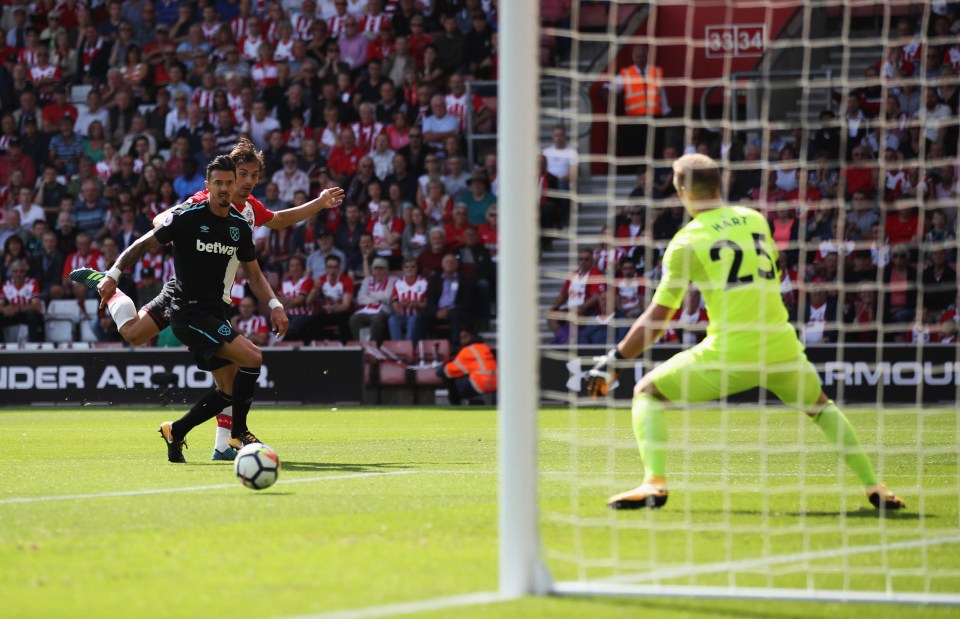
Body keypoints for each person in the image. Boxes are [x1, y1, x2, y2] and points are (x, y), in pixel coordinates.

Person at [586, 153, 905, 512]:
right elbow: (776, 268)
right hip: (781, 345)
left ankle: (654, 483)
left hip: (732, 351)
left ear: (681, 190)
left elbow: (660, 317)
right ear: (719, 184)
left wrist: (615, 359)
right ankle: (874, 486)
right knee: (821, 408)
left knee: (646, 392)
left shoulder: (686, 241)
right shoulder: (754, 219)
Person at [70, 139, 344, 460]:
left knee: (144, 339)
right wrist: (171, 221)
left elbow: (281, 220)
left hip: (215, 301)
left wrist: (320, 202)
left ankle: (196, 437)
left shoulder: (247, 214)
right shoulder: (203, 201)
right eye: (240, 174)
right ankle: (233, 438)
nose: (245, 182)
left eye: (253, 176)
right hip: (185, 295)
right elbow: (162, 222)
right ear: (221, 179)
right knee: (238, 366)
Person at [95, 155, 286, 463]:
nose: (225, 189)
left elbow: (253, 273)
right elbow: (142, 244)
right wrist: (113, 273)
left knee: (227, 387)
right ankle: (238, 432)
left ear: (237, 185)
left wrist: (275, 304)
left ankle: (177, 430)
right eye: (219, 183)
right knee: (253, 357)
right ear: (207, 186)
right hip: (188, 311)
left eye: (229, 183)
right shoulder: (187, 216)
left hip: (214, 311)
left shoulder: (239, 227)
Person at [436, 327, 496, 405]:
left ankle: (455, 404)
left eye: (465, 337)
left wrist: (441, 369)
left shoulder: (468, 350)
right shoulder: (485, 347)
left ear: (472, 336)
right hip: (495, 384)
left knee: (451, 376)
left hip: (479, 383)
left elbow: (449, 370)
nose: (462, 340)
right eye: (461, 338)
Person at [349, 256, 396, 344]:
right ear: (372, 271)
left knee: (377, 320)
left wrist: (371, 294)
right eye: (376, 269)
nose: (378, 272)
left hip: (384, 311)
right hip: (367, 311)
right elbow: (360, 299)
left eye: (381, 269)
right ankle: (361, 346)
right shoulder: (367, 280)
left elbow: (388, 297)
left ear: (387, 270)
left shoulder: (393, 280)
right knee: (354, 319)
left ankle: (373, 347)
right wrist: (379, 297)